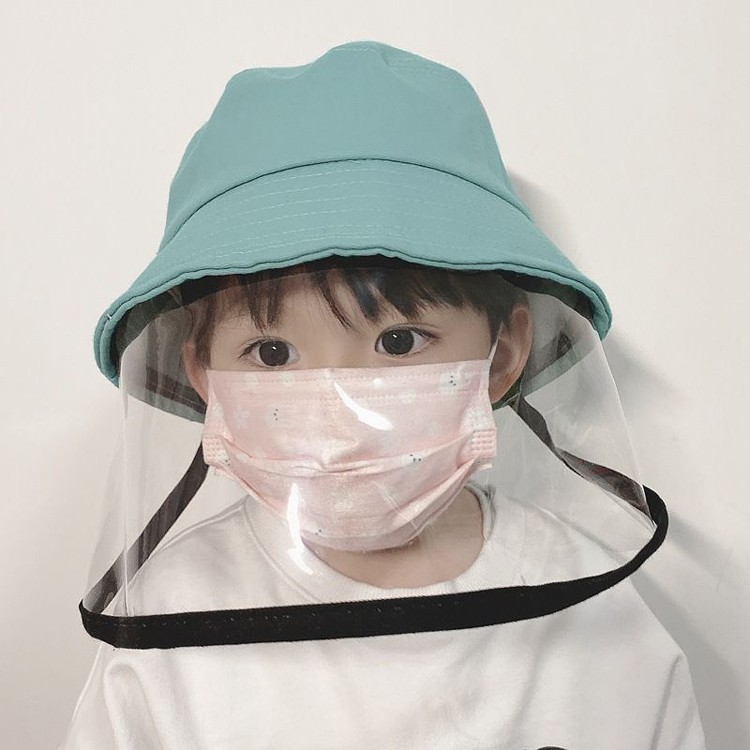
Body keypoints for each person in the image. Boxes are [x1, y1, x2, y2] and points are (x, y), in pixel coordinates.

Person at [62, 41, 706, 748]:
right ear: (203, 376)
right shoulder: (169, 625)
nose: (341, 416)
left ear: (502, 356)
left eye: (398, 341)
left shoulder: (595, 614)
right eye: (272, 353)